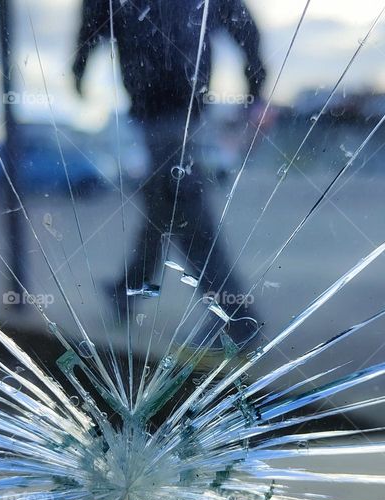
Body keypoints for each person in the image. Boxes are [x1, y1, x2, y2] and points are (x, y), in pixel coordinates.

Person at [72, 0, 267, 345]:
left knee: (181, 203)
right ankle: (126, 289)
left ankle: (237, 317)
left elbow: (92, 28)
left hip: (173, 103)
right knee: (165, 200)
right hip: (165, 104)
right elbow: (242, 25)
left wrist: (79, 69)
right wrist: (255, 77)